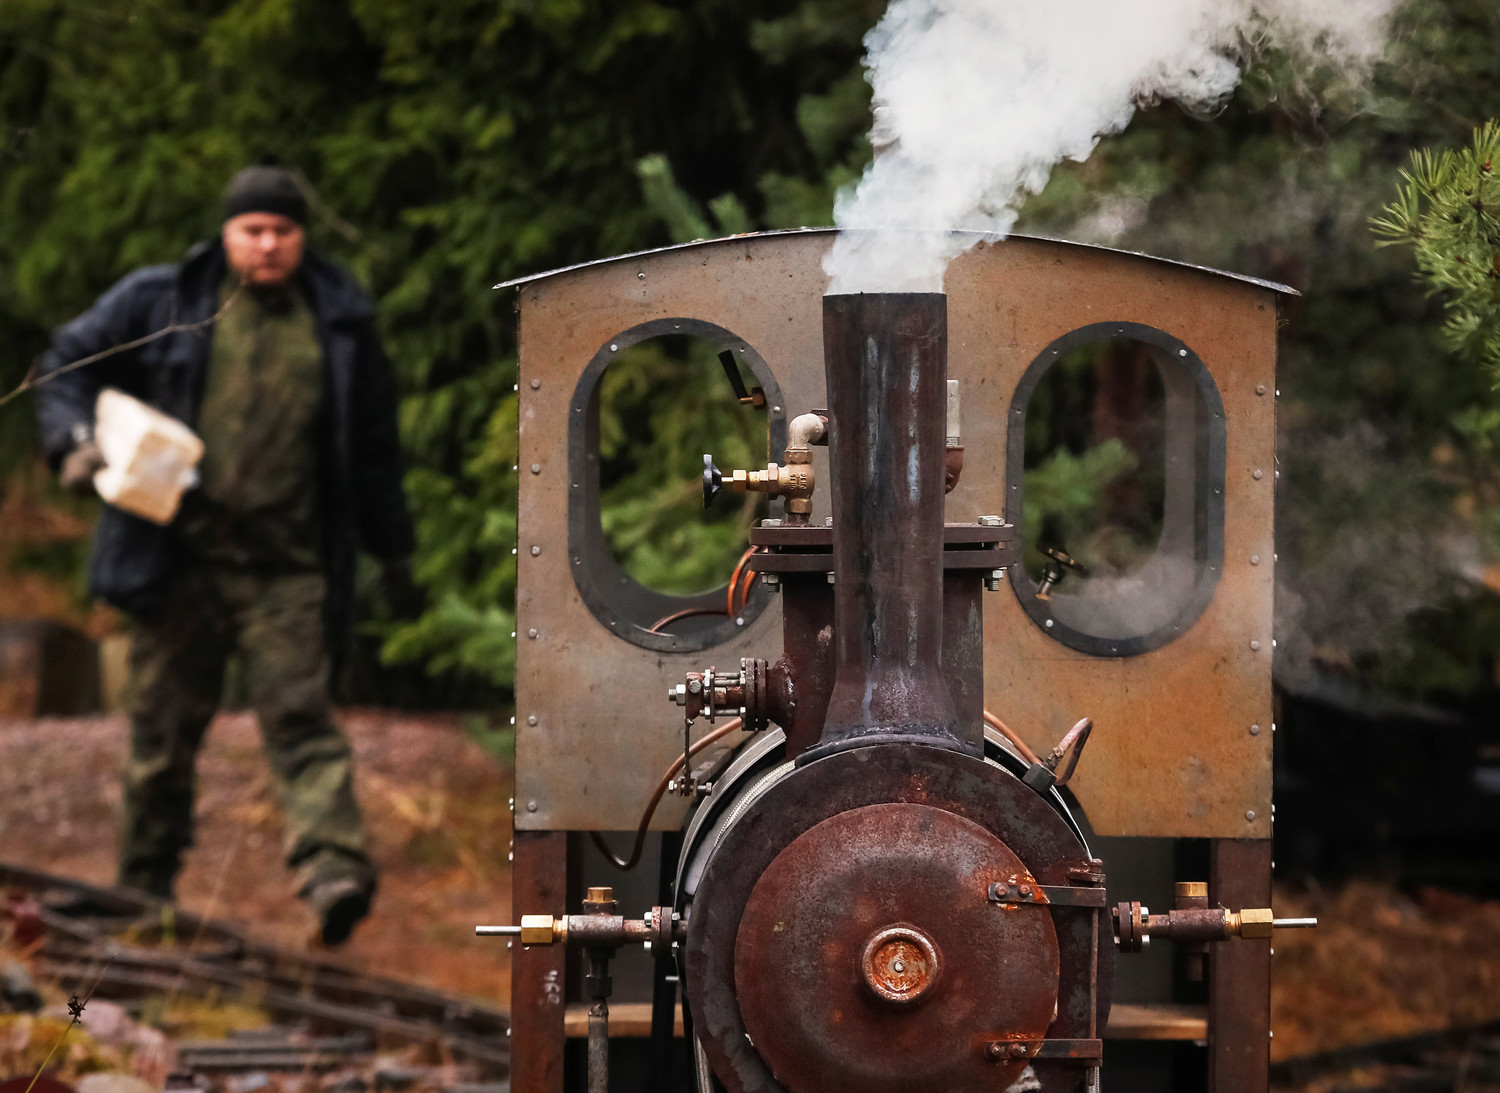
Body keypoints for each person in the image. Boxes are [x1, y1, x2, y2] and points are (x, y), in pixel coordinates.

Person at [33, 165, 418, 945]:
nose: (268, 243)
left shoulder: (339, 320)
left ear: (302, 238)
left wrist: (394, 552)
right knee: (161, 734)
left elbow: (372, 449)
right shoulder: (162, 297)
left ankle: (333, 874)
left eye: (282, 230)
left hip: (289, 566)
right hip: (177, 561)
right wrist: (72, 443)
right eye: (253, 230)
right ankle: (140, 894)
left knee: (303, 721)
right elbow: (66, 362)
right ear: (227, 233)